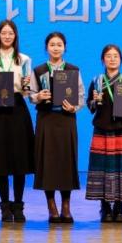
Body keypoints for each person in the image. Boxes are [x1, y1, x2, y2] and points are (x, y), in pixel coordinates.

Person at [0, 20, 35, 222]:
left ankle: (19, 206)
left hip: (18, 109)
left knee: (19, 158)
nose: (7, 36)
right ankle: (5, 206)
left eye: (10, 33)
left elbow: (27, 92)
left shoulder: (24, 59)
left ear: (15, 36)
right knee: (0, 159)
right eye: (3, 33)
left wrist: (27, 85)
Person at [29, 32, 84, 224]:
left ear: (64, 48)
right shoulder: (39, 70)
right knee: (48, 162)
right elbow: (31, 94)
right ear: (46, 48)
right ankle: (51, 206)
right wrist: (38, 97)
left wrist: (74, 107)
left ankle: (66, 206)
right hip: (46, 119)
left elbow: (81, 95)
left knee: (66, 162)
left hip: (66, 120)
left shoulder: (72, 70)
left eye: (59, 45)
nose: (55, 48)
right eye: (52, 45)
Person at [84, 44, 122, 223]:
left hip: (121, 130)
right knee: (102, 171)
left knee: (121, 170)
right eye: (108, 56)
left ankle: (119, 207)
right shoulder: (97, 81)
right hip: (101, 130)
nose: (112, 59)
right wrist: (94, 101)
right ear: (103, 60)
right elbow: (90, 106)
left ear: (121, 60)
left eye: (115, 56)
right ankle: (105, 207)